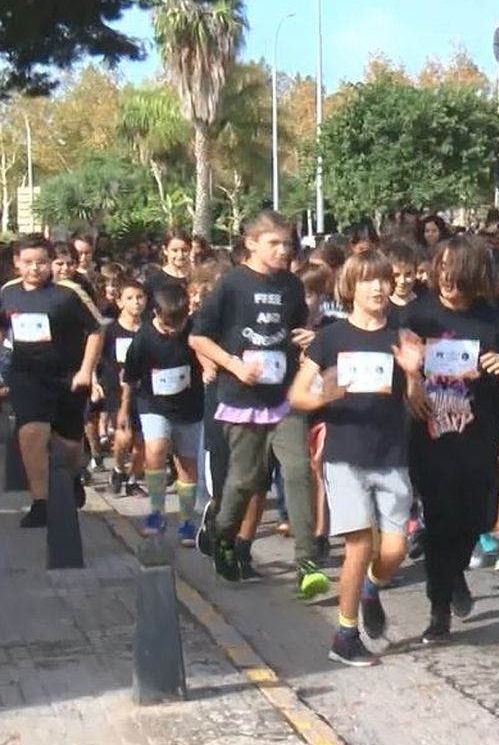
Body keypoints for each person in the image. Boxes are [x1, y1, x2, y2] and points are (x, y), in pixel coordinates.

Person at [290, 251, 422, 667]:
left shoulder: (402, 337)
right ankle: (345, 635)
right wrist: (323, 396)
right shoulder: (331, 338)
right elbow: (296, 395)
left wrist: (415, 373)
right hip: (345, 455)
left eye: (384, 279)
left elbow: (417, 405)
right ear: (350, 288)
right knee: (359, 544)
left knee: (395, 550)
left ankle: (369, 589)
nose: (379, 287)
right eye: (369, 280)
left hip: (391, 454)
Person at [189, 211, 326, 593]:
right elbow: (199, 338)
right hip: (242, 397)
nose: (284, 251)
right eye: (275, 244)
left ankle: (306, 560)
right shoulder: (231, 285)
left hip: (283, 396)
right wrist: (233, 365)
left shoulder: (292, 286)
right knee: (245, 480)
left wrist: (304, 340)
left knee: (298, 470)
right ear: (251, 243)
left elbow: (299, 329)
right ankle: (223, 535)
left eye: (288, 244)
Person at [403, 236, 499, 643]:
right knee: (441, 521)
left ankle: (455, 571)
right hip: (430, 435)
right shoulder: (417, 316)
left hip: (480, 434)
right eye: (442, 270)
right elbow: (398, 365)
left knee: (480, 518)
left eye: (458, 273)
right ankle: (439, 611)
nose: (449, 280)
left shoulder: (493, 319)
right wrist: (412, 384)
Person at [0, 235, 103, 528]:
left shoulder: (69, 293)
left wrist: (86, 370)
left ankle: (71, 477)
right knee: (31, 433)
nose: (35, 269)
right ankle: (40, 502)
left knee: (69, 445)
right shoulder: (8, 293)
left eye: (41, 262)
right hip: (26, 376)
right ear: (16, 263)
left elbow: (96, 330)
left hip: (67, 378)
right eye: (28, 263)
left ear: (49, 263)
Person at [119, 281, 203, 545]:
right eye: (168, 325)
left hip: (190, 406)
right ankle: (157, 511)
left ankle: (187, 520)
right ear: (155, 314)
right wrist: (123, 411)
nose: (173, 330)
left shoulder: (194, 331)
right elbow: (129, 378)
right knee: (155, 449)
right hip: (153, 404)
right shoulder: (143, 339)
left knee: (186, 463)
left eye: (179, 324)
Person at [100, 277, 146, 496]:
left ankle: (133, 480)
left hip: (145, 392)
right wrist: (93, 382)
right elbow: (96, 358)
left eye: (140, 297)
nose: (136, 302)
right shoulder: (110, 331)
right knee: (123, 437)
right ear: (119, 302)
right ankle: (118, 468)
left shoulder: (148, 329)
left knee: (142, 442)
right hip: (117, 392)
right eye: (130, 298)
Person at [145, 230, 195, 303]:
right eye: (175, 250)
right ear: (165, 250)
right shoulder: (153, 281)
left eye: (184, 250)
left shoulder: (197, 278)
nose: (180, 255)